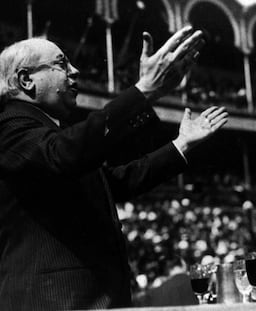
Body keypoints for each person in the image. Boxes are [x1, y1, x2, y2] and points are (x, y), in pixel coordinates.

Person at [0, 26, 228, 310]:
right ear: (26, 80)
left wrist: (181, 144)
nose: (76, 70)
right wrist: (143, 91)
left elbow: (114, 182)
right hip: (55, 301)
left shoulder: (47, 134)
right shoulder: (9, 128)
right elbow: (66, 153)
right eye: (61, 64)